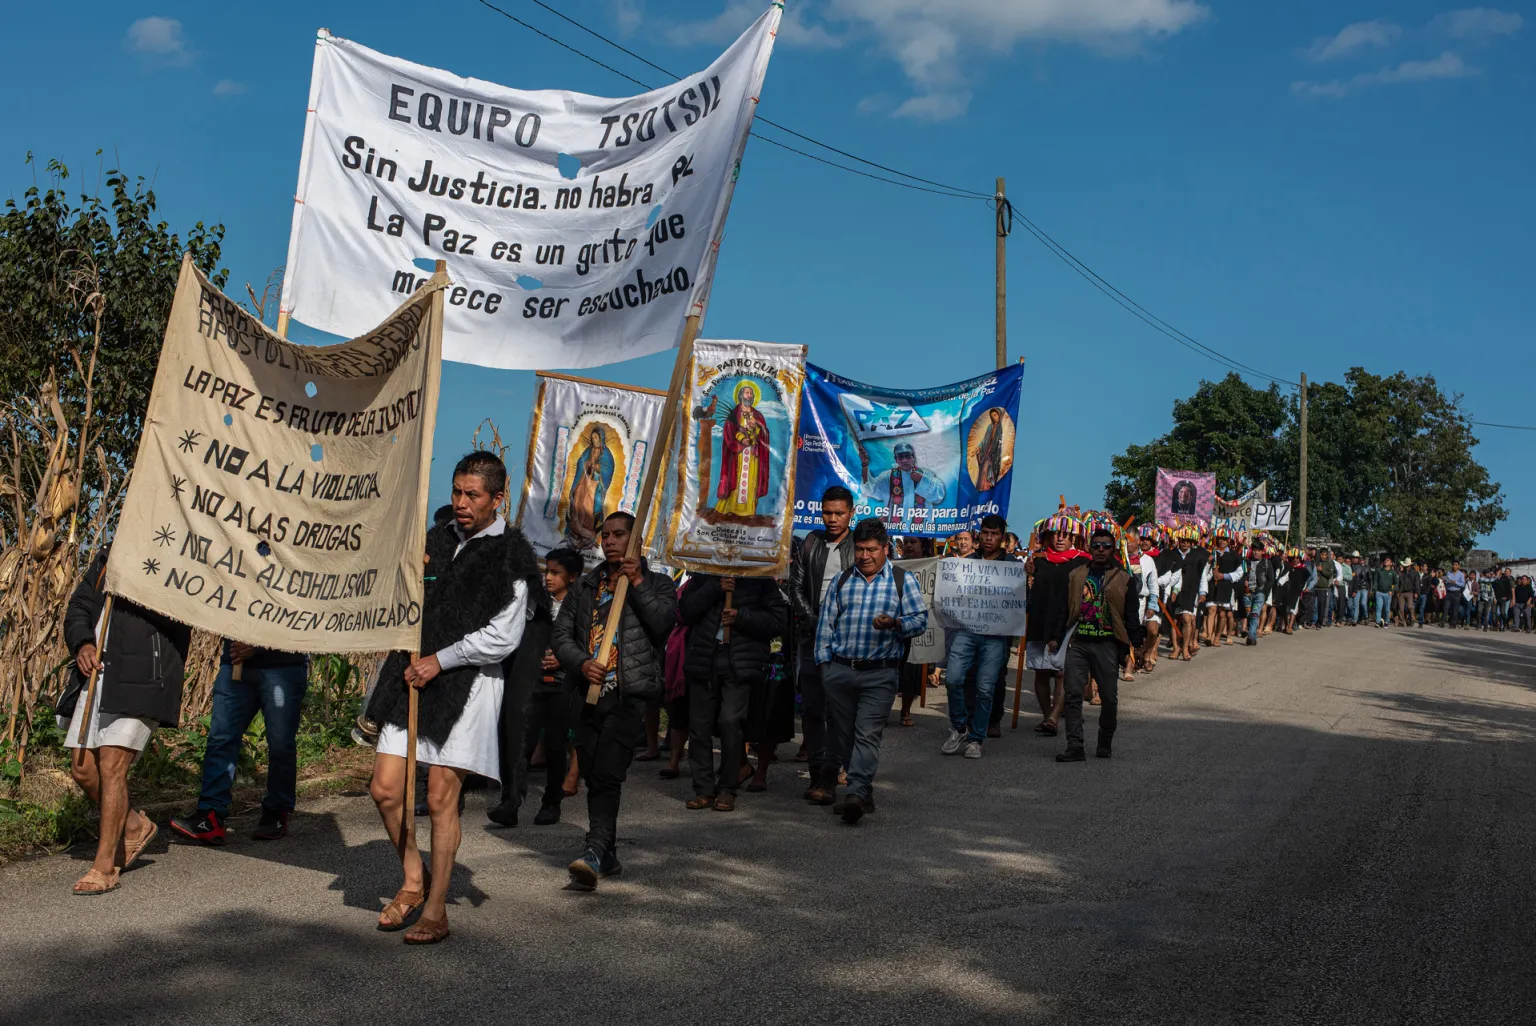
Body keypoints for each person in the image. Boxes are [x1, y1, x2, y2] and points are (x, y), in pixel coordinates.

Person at [364, 452, 544, 944]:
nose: (461, 503)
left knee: (441, 798)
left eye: (473, 495)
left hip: (468, 685)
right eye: (457, 492)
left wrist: (441, 660)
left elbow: (504, 636)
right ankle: (413, 876)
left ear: (497, 499)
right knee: (384, 789)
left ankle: (436, 908)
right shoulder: (435, 543)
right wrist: (411, 576)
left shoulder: (512, 556)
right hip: (413, 678)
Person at [553, 511, 676, 889]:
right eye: (605, 535)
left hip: (628, 695)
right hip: (586, 694)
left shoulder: (659, 584)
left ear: (635, 539)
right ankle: (606, 854)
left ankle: (593, 849)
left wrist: (636, 581)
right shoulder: (586, 585)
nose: (609, 541)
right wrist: (582, 662)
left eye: (619, 535)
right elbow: (561, 636)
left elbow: (663, 624)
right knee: (593, 773)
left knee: (608, 772)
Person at [59, 546, 191, 895]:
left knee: (112, 763)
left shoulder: (175, 554)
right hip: (98, 675)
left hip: (145, 674)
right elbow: (79, 607)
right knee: (84, 770)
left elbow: (185, 611)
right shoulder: (106, 556)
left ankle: (104, 867)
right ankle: (133, 827)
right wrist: (83, 643)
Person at [814, 517, 928, 824]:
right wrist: (824, 667)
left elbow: (920, 620)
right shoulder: (841, 581)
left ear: (886, 549)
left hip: (880, 673)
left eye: (872, 549)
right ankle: (862, 792)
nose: (865, 556)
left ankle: (856, 791)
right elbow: (825, 626)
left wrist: (896, 623)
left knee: (867, 734)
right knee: (845, 735)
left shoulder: (903, 581)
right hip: (839, 671)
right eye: (860, 549)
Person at [169, 642, 309, 845]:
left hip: (283, 668)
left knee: (280, 744)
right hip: (235, 665)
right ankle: (210, 815)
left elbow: (302, 623)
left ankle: (276, 813)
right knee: (221, 738)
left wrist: (259, 647)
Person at [679, 573, 788, 812]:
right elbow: (685, 611)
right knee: (699, 727)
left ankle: (728, 788)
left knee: (730, 722)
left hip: (740, 661)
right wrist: (715, 588)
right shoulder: (701, 575)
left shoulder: (760, 579)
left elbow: (778, 621)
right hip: (704, 659)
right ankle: (703, 789)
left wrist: (741, 618)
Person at [787, 486, 856, 806]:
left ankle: (831, 774)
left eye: (839, 513)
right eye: (827, 512)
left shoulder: (861, 547)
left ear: (851, 513)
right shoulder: (811, 543)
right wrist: (815, 621)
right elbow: (796, 586)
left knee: (838, 710)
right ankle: (817, 772)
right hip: (812, 636)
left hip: (847, 640)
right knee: (813, 709)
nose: (832, 519)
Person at [1054, 528, 1144, 763]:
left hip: (1107, 644)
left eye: (1106, 546)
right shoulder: (1076, 575)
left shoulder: (1124, 578)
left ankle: (1105, 740)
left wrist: (1137, 646)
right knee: (1073, 694)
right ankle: (1075, 745)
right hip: (1079, 642)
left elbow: (1132, 617)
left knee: (1109, 697)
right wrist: (1056, 636)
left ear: (1113, 549)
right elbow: (1064, 608)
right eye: (1096, 546)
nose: (1101, 550)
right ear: (1089, 548)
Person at [939, 515, 1015, 759]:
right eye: (985, 533)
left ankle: (976, 738)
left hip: (995, 636)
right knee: (953, 678)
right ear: (978, 535)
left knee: (985, 689)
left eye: (994, 534)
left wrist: (1029, 580)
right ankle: (960, 727)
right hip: (966, 631)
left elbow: (1023, 604)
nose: (989, 538)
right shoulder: (966, 563)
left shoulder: (1013, 565)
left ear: (1002, 538)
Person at [523, 548, 583, 826]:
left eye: (556, 573)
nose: (549, 577)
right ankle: (511, 800)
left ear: (572, 577)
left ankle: (551, 802)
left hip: (563, 684)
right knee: (524, 740)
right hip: (535, 680)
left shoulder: (581, 605)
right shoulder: (537, 603)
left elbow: (585, 641)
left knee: (557, 744)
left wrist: (564, 658)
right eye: (547, 571)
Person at [1024, 515, 1088, 734]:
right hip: (1039, 620)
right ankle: (1046, 716)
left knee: (1061, 672)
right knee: (1041, 672)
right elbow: (1025, 591)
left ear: (1074, 538)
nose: (1060, 539)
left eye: (1066, 535)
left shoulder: (1083, 562)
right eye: (1056, 534)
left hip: (1069, 622)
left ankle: (1054, 717)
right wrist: (1027, 576)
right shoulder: (1037, 560)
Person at [715, 382, 772, 518]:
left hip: (752, 455)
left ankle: (749, 511)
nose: (749, 395)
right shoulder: (735, 413)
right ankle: (730, 508)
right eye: (747, 392)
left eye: (751, 393)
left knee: (751, 480)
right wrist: (741, 439)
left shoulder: (757, 415)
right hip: (738, 454)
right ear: (741, 395)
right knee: (736, 478)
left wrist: (756, 427)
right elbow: (729, 430)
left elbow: (764, 433)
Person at [860, 440, 946, 527]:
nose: (904, 460)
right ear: (896, 459)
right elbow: (869, 489)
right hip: (896, 530)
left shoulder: (926, 474)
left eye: (907, 456)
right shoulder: (887, 476)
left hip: (921, 530)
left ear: (913, 457)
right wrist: (864, 464)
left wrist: (922, 480)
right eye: (900, 457)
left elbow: (938, 497)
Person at [1164, 527, 1208, 659]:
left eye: (1188, 541)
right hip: (1173, 592)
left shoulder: (1197, 556)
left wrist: (1203, 592)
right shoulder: (1171, 554)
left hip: (1190, 591)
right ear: (1179, 540)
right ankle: (1176, 648)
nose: (1185, 543)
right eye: (1183, 540)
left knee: (1187, 619)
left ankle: (1185, 648)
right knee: (1175, 620)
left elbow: (1203, 575)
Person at [1242, 538, 1272, 646]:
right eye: (1254, 550)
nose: (1256, 552)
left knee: (1255, 614)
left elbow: (1271, 579)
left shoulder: (1266, 563)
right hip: (1247, 593)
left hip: (1259, 593)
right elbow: (1241, 575)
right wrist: (1243, 583)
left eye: (1258, 550)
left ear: (1262, 552)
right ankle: (1253, 636)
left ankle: (1250, 636)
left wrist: (1263, 591)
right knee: (1249, 614)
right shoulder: (1246, 562)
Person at [1395, 561, 1421, 627]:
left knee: (1410, 606)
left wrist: (1416, 592)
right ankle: (1402, 621)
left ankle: (1412, 619)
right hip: (1402, 592)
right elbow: (1398, 582)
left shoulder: (1414, 573)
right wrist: (1398, 591)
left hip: (1410, 592)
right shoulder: (1401, 573)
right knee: (1401, 608)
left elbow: (1417, 583)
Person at [1374, 558, 1397, 627]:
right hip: (1379, 592)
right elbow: (1375, 580)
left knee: (1387, 609)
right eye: (1385, 560)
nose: (1386, 561)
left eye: (1388, 560)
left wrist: (1392, 591)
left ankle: (1386, 621)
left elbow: (1396, 583)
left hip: (1388, 593)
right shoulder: (1379, 570)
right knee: (1379, 607)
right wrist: (1375, 590)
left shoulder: (1393, 572)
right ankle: (1378, 622)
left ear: (1391, 563)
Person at [1443, 562, 1466, 628]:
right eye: (1453, 565)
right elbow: (1446, 581)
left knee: (1455, 609)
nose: (1454, 566)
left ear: (1458, 566)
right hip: (1449, 591)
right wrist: (1446, 581)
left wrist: (1456, 582)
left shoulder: (1461, 574)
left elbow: (1462, 584)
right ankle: (1442, 622)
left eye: (1456, 565)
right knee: (1446, 607)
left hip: (1456, 592)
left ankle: (1453, 624)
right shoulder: (1449, 573)